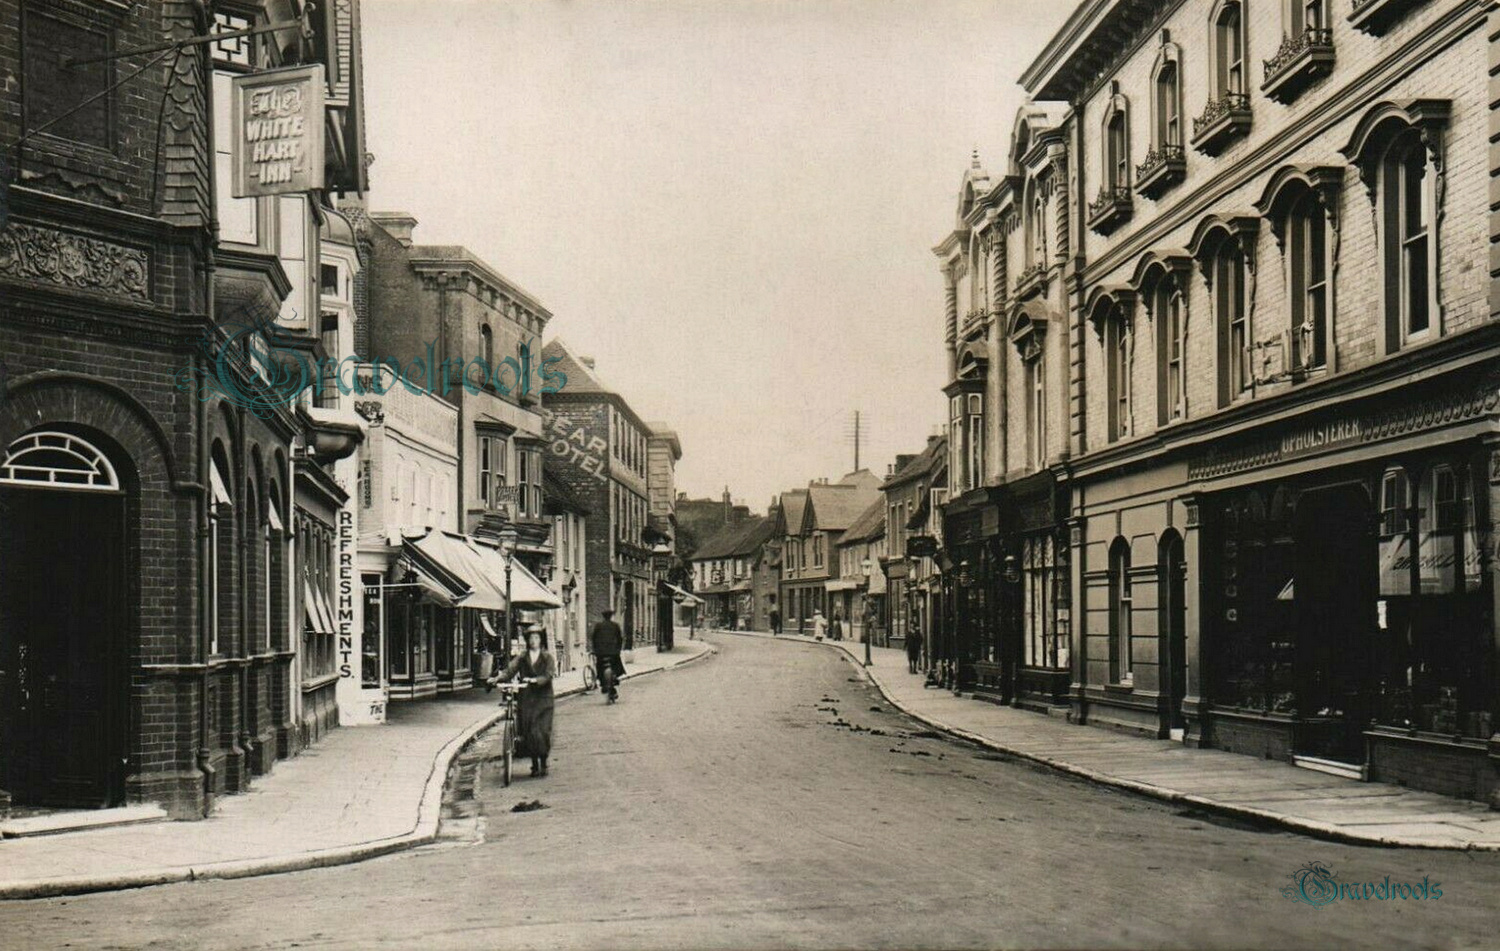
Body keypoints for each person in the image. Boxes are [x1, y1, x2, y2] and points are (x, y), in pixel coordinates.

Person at [489, 628, 556, 777]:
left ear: (541, 640)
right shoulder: (522, 657)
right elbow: (510, 670)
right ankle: (534, 764)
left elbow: (549, 674)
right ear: (527, 640)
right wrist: (497, 679)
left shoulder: (547, 658)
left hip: (544, 700)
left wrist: (535, 680)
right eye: (531, 638)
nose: (533, 641)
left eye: (536, 638)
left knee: (543, 732)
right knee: (529, 732)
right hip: (527, 699)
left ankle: (543, 762)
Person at [590, 608, 625, 702]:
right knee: (617, 665)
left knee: (599, 667)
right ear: (611, 616)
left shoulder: (598, 626)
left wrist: (595, 650)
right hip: (613, 652)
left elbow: (593, 639)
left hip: (601, 653)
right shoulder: (615, 626)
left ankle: (602, 681)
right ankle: (616, 677)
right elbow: (620, 639)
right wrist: (618, 649)